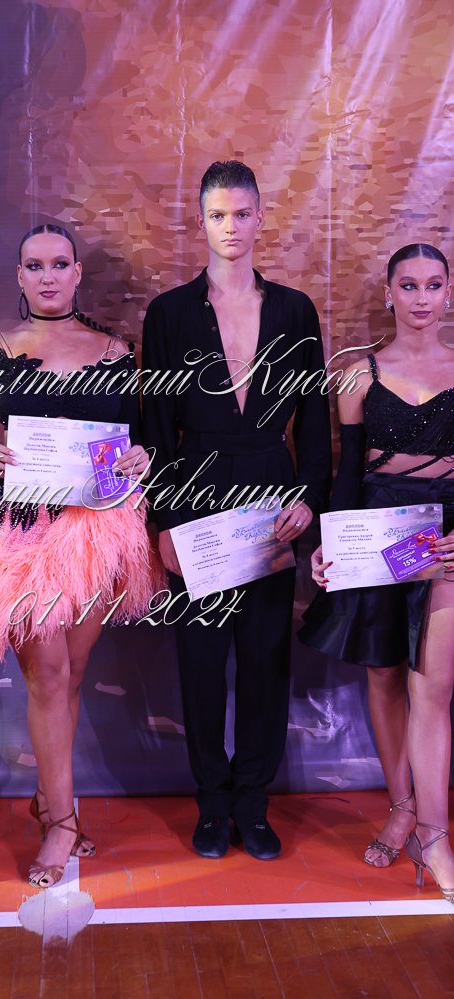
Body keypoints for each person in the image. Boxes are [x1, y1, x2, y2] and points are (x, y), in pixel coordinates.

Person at [0, 223, 164, 888]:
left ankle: (49, 798)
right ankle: (61, 821)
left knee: (73, 671)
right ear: (20, 276)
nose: (48, 276)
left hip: (98, 530)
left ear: (77, 272)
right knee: (49, 675)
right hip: (27, 532)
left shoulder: (117, 351)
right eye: (35, 265)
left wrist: (142, 456)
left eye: (60, 264)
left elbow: (141, 439)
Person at [141, 161, 332, 860]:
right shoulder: (168, 314)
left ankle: (253, 804)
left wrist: (307, 495)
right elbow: (154, 427)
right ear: (201, 221)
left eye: (242, 213)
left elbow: (315, 420)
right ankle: (212, 805)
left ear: (260, 218)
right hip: (195, 493)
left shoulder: (295, 310)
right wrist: (162, 522)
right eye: (218, 215)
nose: (230, 227)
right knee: (200, 662)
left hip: (270, 495)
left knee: (265, 659)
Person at [299, 243, 454, 903]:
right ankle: (401, 808)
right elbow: (347, 472)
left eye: (434, 284)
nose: (421, 297)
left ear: (448, 292)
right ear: (389, 293)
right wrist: (328, 543)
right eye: (408, 285)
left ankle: (435, 836)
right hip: (378, 534)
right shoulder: (357, 373)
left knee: (432, 688)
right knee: (385, 677)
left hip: (444, 539)